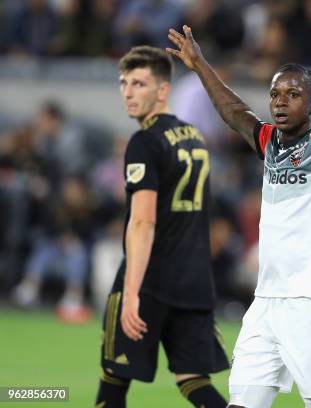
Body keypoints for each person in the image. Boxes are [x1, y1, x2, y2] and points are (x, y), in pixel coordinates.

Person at [166, 24, 311, 407]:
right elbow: (233, 111)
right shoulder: (270, 143)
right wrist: (199, 65)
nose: (280, 101)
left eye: (293, 94)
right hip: (267, 300)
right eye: (275, 94)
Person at [95, 45, 228, 408]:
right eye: (124, 83)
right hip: (194, 280)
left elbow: (143, 221)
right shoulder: (196, 138)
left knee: (112, 383)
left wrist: (131, 292)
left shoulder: (144, 142)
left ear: (163, 90)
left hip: (150, 281)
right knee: (194, 381)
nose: (128, 92)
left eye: (139, 83)